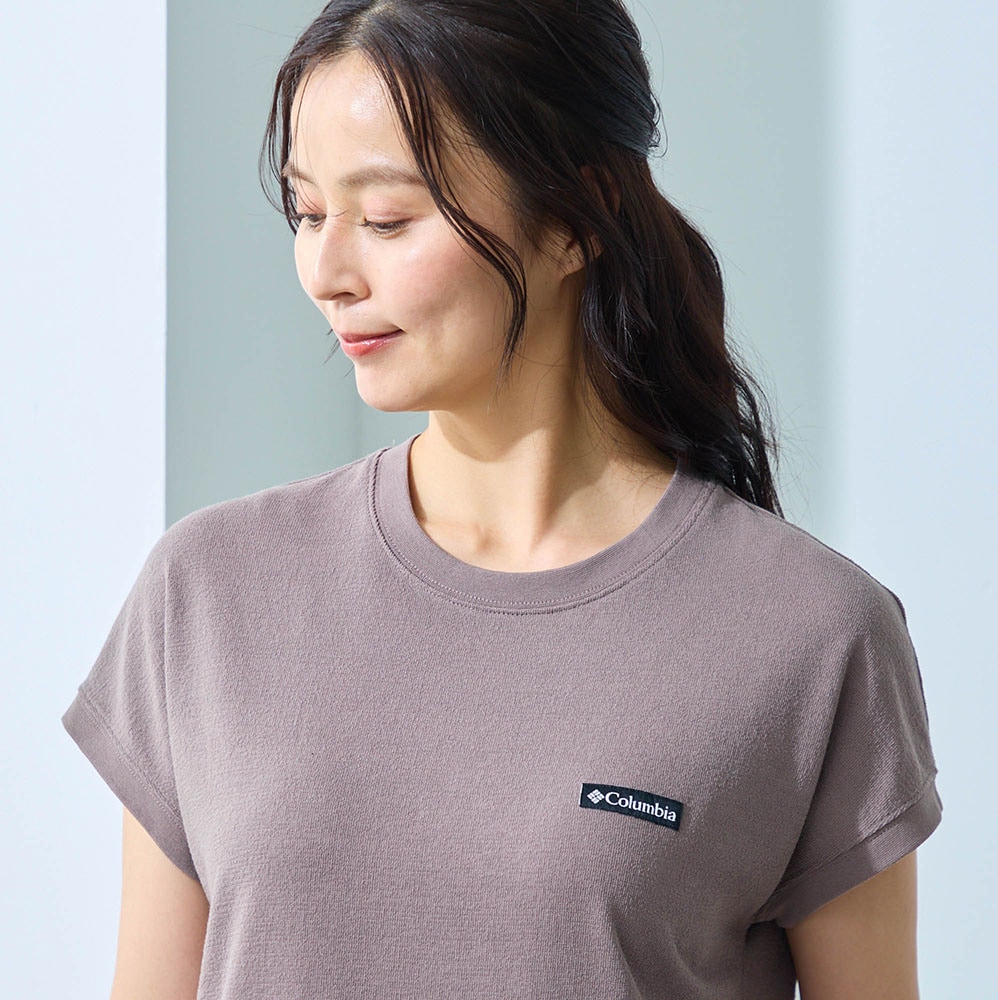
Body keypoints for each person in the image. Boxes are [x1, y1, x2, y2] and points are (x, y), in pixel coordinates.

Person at [61, 1, 942, 998]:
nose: (326, 272)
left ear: (573, 219)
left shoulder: (813, 634)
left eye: (386, 219)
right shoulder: (207, 594)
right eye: (306, 213)